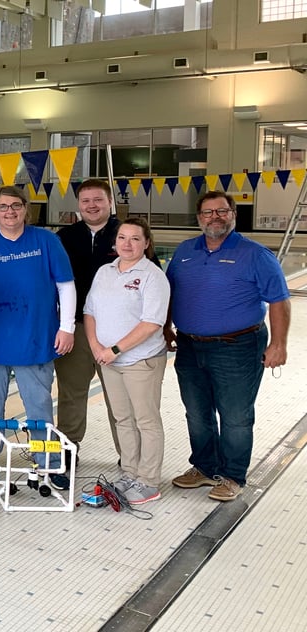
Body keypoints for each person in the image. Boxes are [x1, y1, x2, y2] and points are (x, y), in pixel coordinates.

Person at [166, 191, 290, 502]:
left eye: (222, 211)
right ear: (199, 218)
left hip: (238, 345)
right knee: (196, 412)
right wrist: (166, 328)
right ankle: (205, 468)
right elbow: (168, 293)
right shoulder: (184, 252)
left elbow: (279, 301)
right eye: (208, 213)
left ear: (233, 215)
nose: (215, 217)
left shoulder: (255, 254)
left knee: (234, 414)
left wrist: (278, 344)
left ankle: (233, 475)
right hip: (190, 346)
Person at [0, 186, 75, 488]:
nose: (9, 212)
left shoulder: (46, 241)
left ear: (26, 208)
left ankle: (49, 463)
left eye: (15, 205)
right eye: (2, 206)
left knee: (39, 405)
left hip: (35, 337)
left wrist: (67, 327)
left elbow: (66, 285)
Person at [55, 179, 162, 462]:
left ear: (110, 202)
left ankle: (129, 454)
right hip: (77, 328)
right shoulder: (64, 237)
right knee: (70, 393)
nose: (92, 205)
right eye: (86, 200)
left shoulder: (126, 234)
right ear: (78, 205)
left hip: (122, 336)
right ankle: (67, 449)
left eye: (98, 200)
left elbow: (156, 281)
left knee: (122, 398)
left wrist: (167, 326)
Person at [83, 218, 170, 505]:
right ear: (115, 242)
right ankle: (130, 472)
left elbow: (151, 324)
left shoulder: (152, 276)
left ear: (146, 243)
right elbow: (90, 312)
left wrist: (115, 349)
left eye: (135, 239)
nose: (127, 244)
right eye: (122, 238)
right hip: (109, 359)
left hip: (140, 360)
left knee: (146, 420)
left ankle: (148, 481)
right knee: (123, 419)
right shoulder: (105, 272)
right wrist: (96, 346)